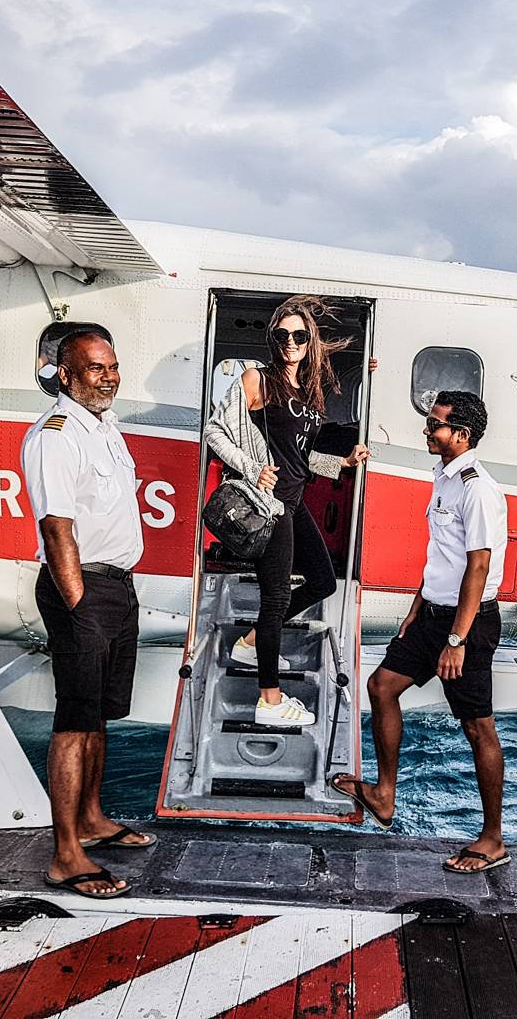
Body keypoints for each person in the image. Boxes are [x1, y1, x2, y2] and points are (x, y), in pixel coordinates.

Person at [332, 390, 510, 874]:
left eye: (435, 426)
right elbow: (444, 555)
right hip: (432, 615)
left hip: (465, 624)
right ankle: (384, 795)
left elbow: (478, 567)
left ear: (461, 435)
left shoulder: (476, 488)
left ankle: (492, 839)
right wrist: (417, 607)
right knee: (381, 686)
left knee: (478, 727)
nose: (427, 432)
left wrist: (455, 640)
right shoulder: (444, 477)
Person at [21, 329, 155, 899]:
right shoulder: (54, 436)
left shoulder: (106, 428)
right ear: (66, 374)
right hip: (81, 590)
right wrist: (77, 605)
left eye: (113, 366)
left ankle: (93, 819)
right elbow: (58, 526)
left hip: (115, 587)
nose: (108, 376)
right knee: (74, 720)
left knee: (100, 712)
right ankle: (66, 855)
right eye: (95, 368)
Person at [204, 296, 371, 726]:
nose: (290, 343)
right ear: (272, 339)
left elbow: (302, 456)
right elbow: (215, 431)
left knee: (321, 582)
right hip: (270, 504)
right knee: (276, 597)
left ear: (308, 339)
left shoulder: (307, 390)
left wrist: (342, 465)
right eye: (282, 336)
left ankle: (254, 640)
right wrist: (252, 467)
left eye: (298, 335)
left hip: (295, 503)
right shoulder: (256, 380)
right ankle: (270, 702)